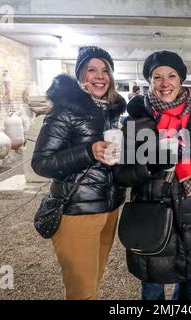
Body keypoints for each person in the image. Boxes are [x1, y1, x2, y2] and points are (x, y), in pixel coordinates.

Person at [31, 46, 126, 300]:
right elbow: (41, 163)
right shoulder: (65, 110)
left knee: (92, 285)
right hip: (77, 211)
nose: (99, 75)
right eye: (91, 69)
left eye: (105, 70)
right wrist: (88, 151)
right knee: (82, 293)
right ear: (81, 75)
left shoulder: (110, 111)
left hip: (109, 210)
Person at [113, 50, 191, 300]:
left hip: (190, 217)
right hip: (150, 216)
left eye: (172, 75)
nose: (165, 83)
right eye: (157, 77)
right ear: (149, 82)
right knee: (153, 289)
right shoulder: (136, 123)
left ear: (181, 79)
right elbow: (121, 175)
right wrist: (150, 165)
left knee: (188, 287)